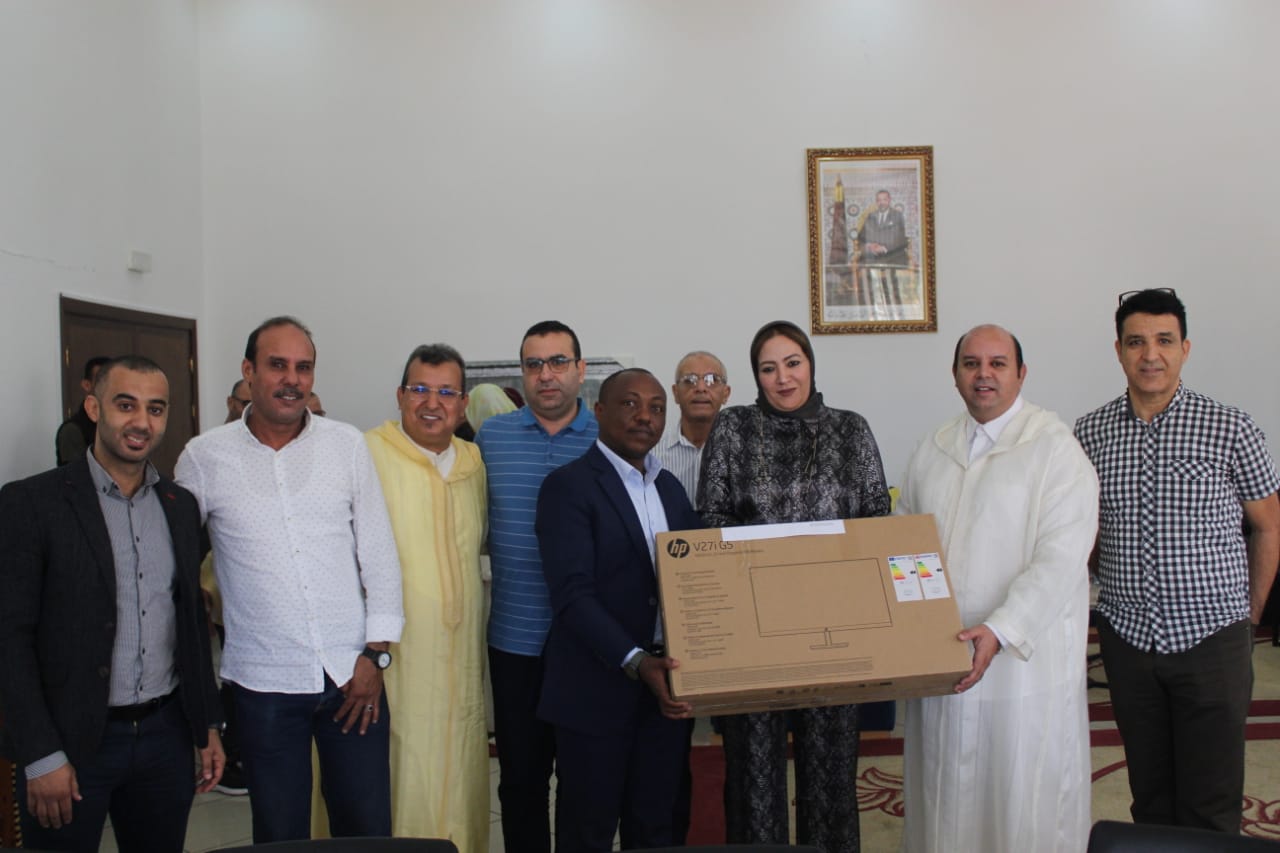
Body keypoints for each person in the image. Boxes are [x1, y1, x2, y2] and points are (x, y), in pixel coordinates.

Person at [175, 316, 404, 843]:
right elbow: (177, 562)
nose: (292, 379)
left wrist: (375, 656)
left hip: (352, 676)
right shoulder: (204, 458)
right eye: (277, 365)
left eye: (304, 367)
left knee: (366, 829)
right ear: (248, 371)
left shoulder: (345, 445)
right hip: (263, 685)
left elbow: (379, 555)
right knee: (280, 834)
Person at [1074, 288, 1280, 833]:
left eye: (1164, 341)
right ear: (1118, 350)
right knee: (1150, 798)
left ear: (1185, 348)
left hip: (1213, 639)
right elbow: (1083, 528)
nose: (1151, 355)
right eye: (1136, 342)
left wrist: (1249, 617)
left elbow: (1268, 525)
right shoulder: (1090, 433)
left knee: (1211, 804)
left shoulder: (1230, 427)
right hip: (1128, 641)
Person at [1, 355, 224, 853]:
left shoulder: (179, 506)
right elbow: (9, 639)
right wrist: (40, 754)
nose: (142, 422)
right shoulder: (32, 503)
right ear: (93, 408)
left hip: (165, 737)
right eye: (126, 405)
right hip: (71, 742)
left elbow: (190, 621)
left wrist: (207, 724)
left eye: (155, 409)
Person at [897, 325, 1099, 853]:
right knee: (944, 801)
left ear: (1021, 373)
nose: (983, 375)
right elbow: (906, 543)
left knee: (1019, 802)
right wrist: (905, 625)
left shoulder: (1054, 450)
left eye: (997, 363)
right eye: (971, 364)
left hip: (1021, 669)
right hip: (945, 659)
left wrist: (1001, 628)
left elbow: (1061, 559)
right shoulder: (932, 448)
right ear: (955, 375)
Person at [698, 319, 890, 852]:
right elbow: (711, 517)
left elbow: (877, 517)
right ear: (755, 376)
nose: (783, 378)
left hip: (835, 626)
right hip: (753, 624)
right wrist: (773, 561)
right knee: (754, 775)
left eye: (792, 363)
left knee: (830, 772)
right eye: (768, 368)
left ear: (810, 364)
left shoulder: (851, 430)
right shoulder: (733, 428)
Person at [535, 368, 700, 852]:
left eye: (656, 407)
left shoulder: (670, 489)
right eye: (630, 404)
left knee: (657, 828)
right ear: (600, 411)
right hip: (594, 692)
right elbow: (572, 596)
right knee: (587, 833)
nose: (645, 416)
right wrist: (636, 660)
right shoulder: (567, 487)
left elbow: (698, 580)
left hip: (667, 691)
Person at [475, 320, 598, 853]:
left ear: (580, 369)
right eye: (534, 364)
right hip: (515, 641)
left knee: (582, 781)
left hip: (588, 645)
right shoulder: (492, 439)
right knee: (520, 780)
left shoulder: (607, 437)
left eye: (558, 362)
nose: (546, 375)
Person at [364, 344, 490, 849]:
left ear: (463, 404)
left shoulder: (473, 461)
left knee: (460, 762)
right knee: (402, 770)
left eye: (446, 392)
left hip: (461, 657)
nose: (432, 403)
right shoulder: (367, 455)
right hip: (397, 659)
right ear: (399, 395)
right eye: (419, 390)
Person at [655, 351, 732, 505]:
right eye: (689, 380)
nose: (701, 388)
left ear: (726, 393)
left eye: (712, 379)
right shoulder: (652, 457)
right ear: (675, 393)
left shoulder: (745, 455)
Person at [55, 355, 111, 466]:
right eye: (101, 381)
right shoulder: (72, 430)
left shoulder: (117, 423)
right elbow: (78, 472)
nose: (109, 387)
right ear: (86, 385)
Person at [858, 189, 908, 267]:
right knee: (862, 265)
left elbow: (900, 238)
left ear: (889, 200)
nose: (882, 203)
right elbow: (861, 236)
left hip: (892, 255)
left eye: (884, 199)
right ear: (876, 202)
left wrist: (884, 248)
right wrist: (869, 245)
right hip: (872, 256)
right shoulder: (870, 216)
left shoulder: (897, 215)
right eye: (879, 200)